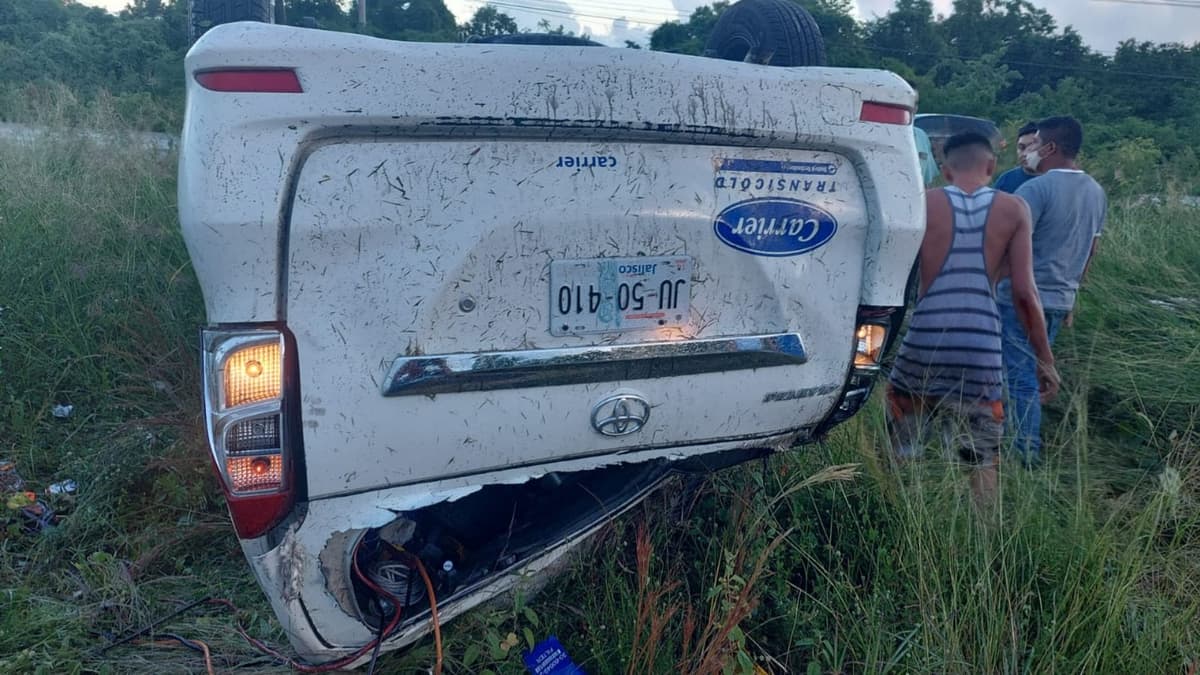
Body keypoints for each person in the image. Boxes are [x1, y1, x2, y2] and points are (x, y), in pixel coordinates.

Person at [887, 132, 1060, 504]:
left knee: (904, 451)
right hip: (980, 349)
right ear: (991, 165)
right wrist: (1044, 360)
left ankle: (898, 528)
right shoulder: (1014, 210)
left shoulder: (922, 204)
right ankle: (984, 549)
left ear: (946, 171)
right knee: (981, 458)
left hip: (924, 343)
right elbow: (1024, 294)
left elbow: (894, 281)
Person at [996, 116, 1106, 467]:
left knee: (1019, 378)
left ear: (1051, 148)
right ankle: (1018, 448)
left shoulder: (1035, 190)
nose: (1030, 152)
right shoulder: (1096, 191)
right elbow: (1091, 249)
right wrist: (1073, 292)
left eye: (1036, 143)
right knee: (1027, 373)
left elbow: (1003, 244)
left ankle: (1023, 456)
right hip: (1060, 299)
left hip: (1021, 298)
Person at [993, 121, 1039, 193]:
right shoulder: (1006, 180)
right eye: (1021, 147)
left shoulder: (1055, 180)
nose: (1025, 153)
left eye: (1031, 147)